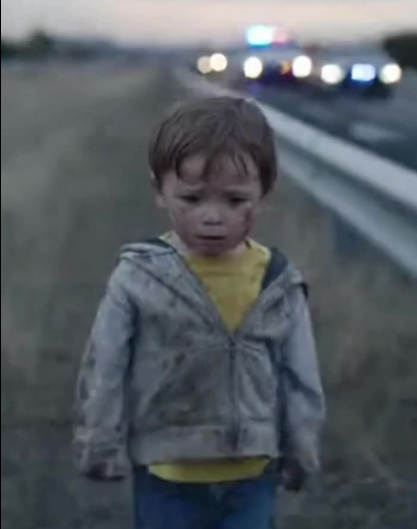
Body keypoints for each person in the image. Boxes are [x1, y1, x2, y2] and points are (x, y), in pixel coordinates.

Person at [73, 96, 326, 529]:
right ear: (159, 191)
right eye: (191, 198)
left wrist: (301, 449)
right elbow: (105, 364)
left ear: (264, 193)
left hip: (252, 477)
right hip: (166, 476)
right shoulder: (139, 277)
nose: (212, 217)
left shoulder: (279, 283)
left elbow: (300, 374)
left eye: (235, 200)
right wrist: (100, 441)